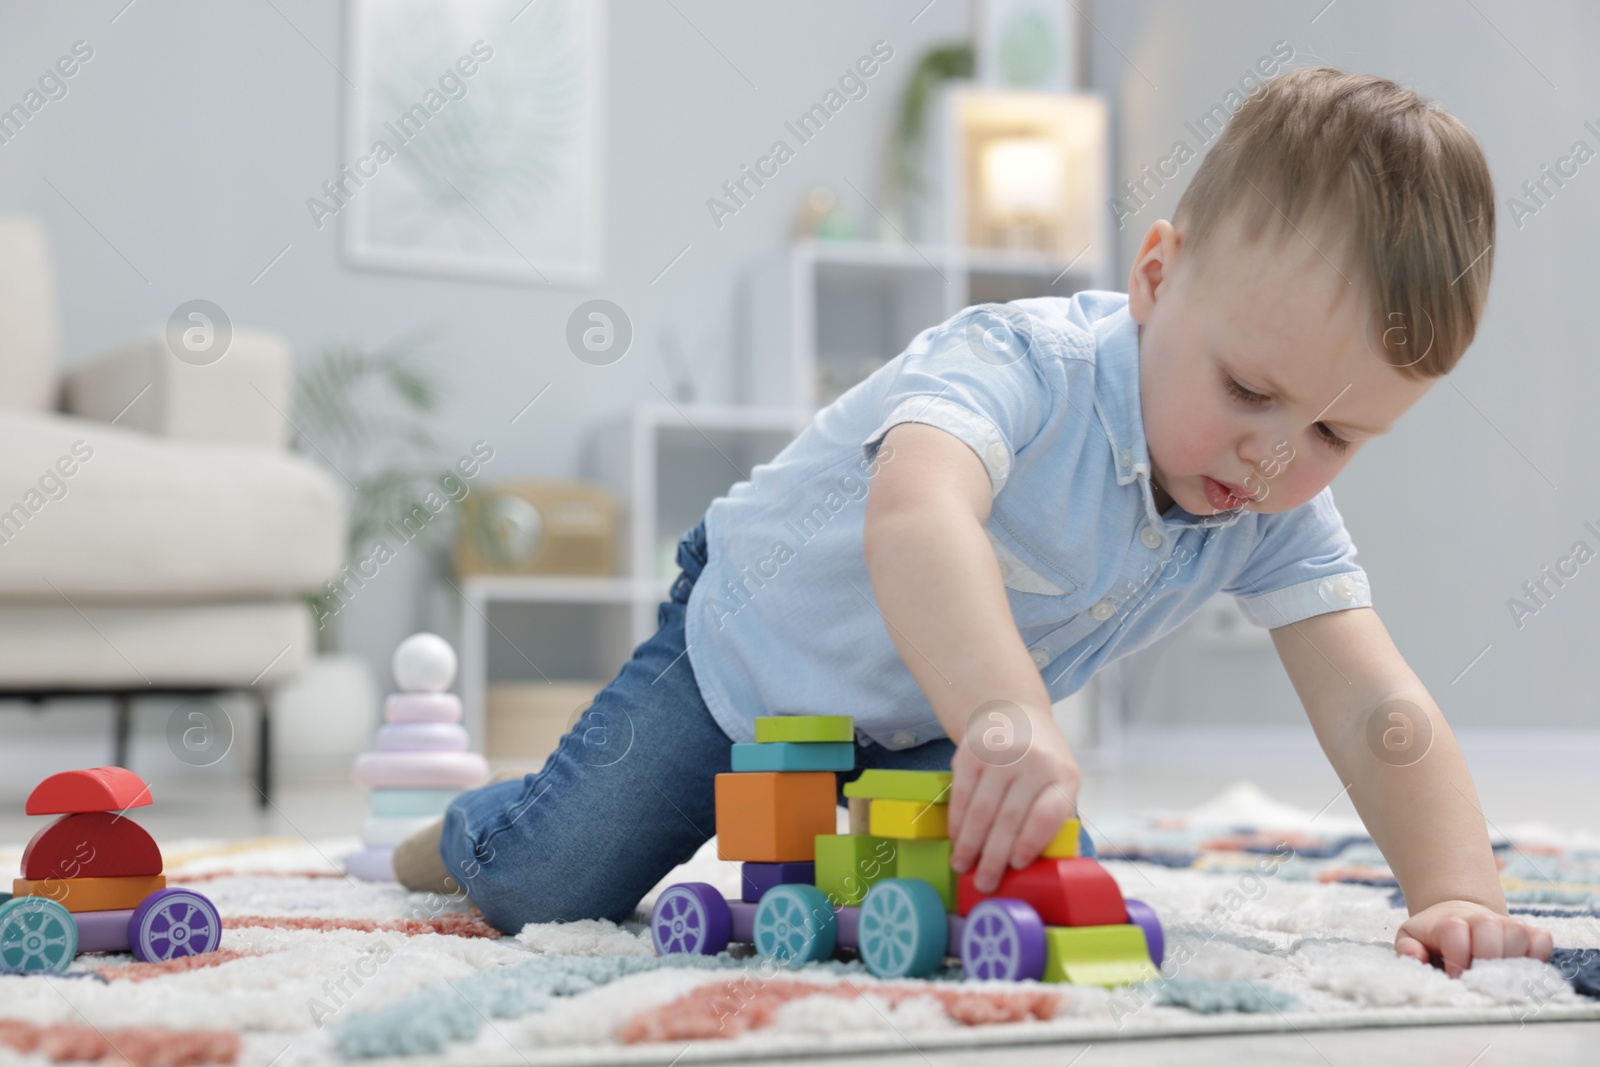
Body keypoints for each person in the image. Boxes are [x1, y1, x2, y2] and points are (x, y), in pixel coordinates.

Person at [401, 66, 1551, 979]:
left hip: (926, 732)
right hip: (743, 658)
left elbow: (1371, 703)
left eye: (1338, 438)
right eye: (1250, 393)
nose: (1276, 457)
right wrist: (1007, 714)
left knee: (1049, 900)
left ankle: (842, 847)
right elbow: (916, 518)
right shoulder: (1022, 364)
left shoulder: (1273, 502)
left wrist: (1460, 890)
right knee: (546, 884)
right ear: (1157, 276)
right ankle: (463, 829)